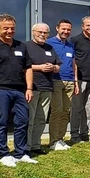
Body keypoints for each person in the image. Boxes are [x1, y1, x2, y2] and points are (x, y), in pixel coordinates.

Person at [0, 14, 35, 167]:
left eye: (12, 28)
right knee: (2, 122)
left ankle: (20, 153)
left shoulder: (21, 46)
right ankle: (3, 154)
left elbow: (28, 68)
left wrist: (29, 88)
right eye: (6, 28)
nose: (10, 31)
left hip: (20, 91)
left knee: (22, 121)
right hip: (0, 90)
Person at [25, 23, 61, 156]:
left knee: (41, 118)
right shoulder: (26, 46)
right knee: (30, 118)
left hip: (47, 87)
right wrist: (39, 67)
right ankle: (26, 146)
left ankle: (36, 145)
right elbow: (22, 66)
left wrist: (54, 67)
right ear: (33, 32)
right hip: (32, 87)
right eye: (39, 32)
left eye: (45, 33)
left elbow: (58, 66)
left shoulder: (50, 47)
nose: (42, 35)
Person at [47, 20, 78, 151]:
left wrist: (76, 82)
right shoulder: (49, 43)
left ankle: (60, 138)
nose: (66, 31)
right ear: (57, 28)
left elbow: (73, 64)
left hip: (70, 81)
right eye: (63, 29)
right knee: (57, 110)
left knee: (66, 112)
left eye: (68, 29)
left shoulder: (70, 46)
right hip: (56, 80)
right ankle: (53, 141)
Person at [70, 16, 90, 143]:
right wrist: (75, 80)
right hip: (80, 79)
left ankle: (84, 133)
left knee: (88, 107)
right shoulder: (75, 40)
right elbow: (72, 60)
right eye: (88, 25)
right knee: (77, 108)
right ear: (82, 26)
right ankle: (74, 134)